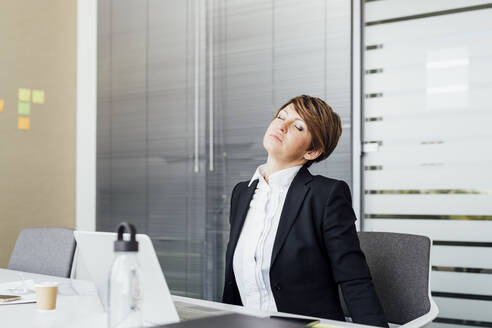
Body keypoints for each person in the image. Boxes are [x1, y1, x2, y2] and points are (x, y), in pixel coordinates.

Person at [222, 95, 388, 327]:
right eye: (281, 116)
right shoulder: (242, 193)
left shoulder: (326, 195)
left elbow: (354, 279)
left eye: (298, 126)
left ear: (312, 151)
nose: (282, 125)